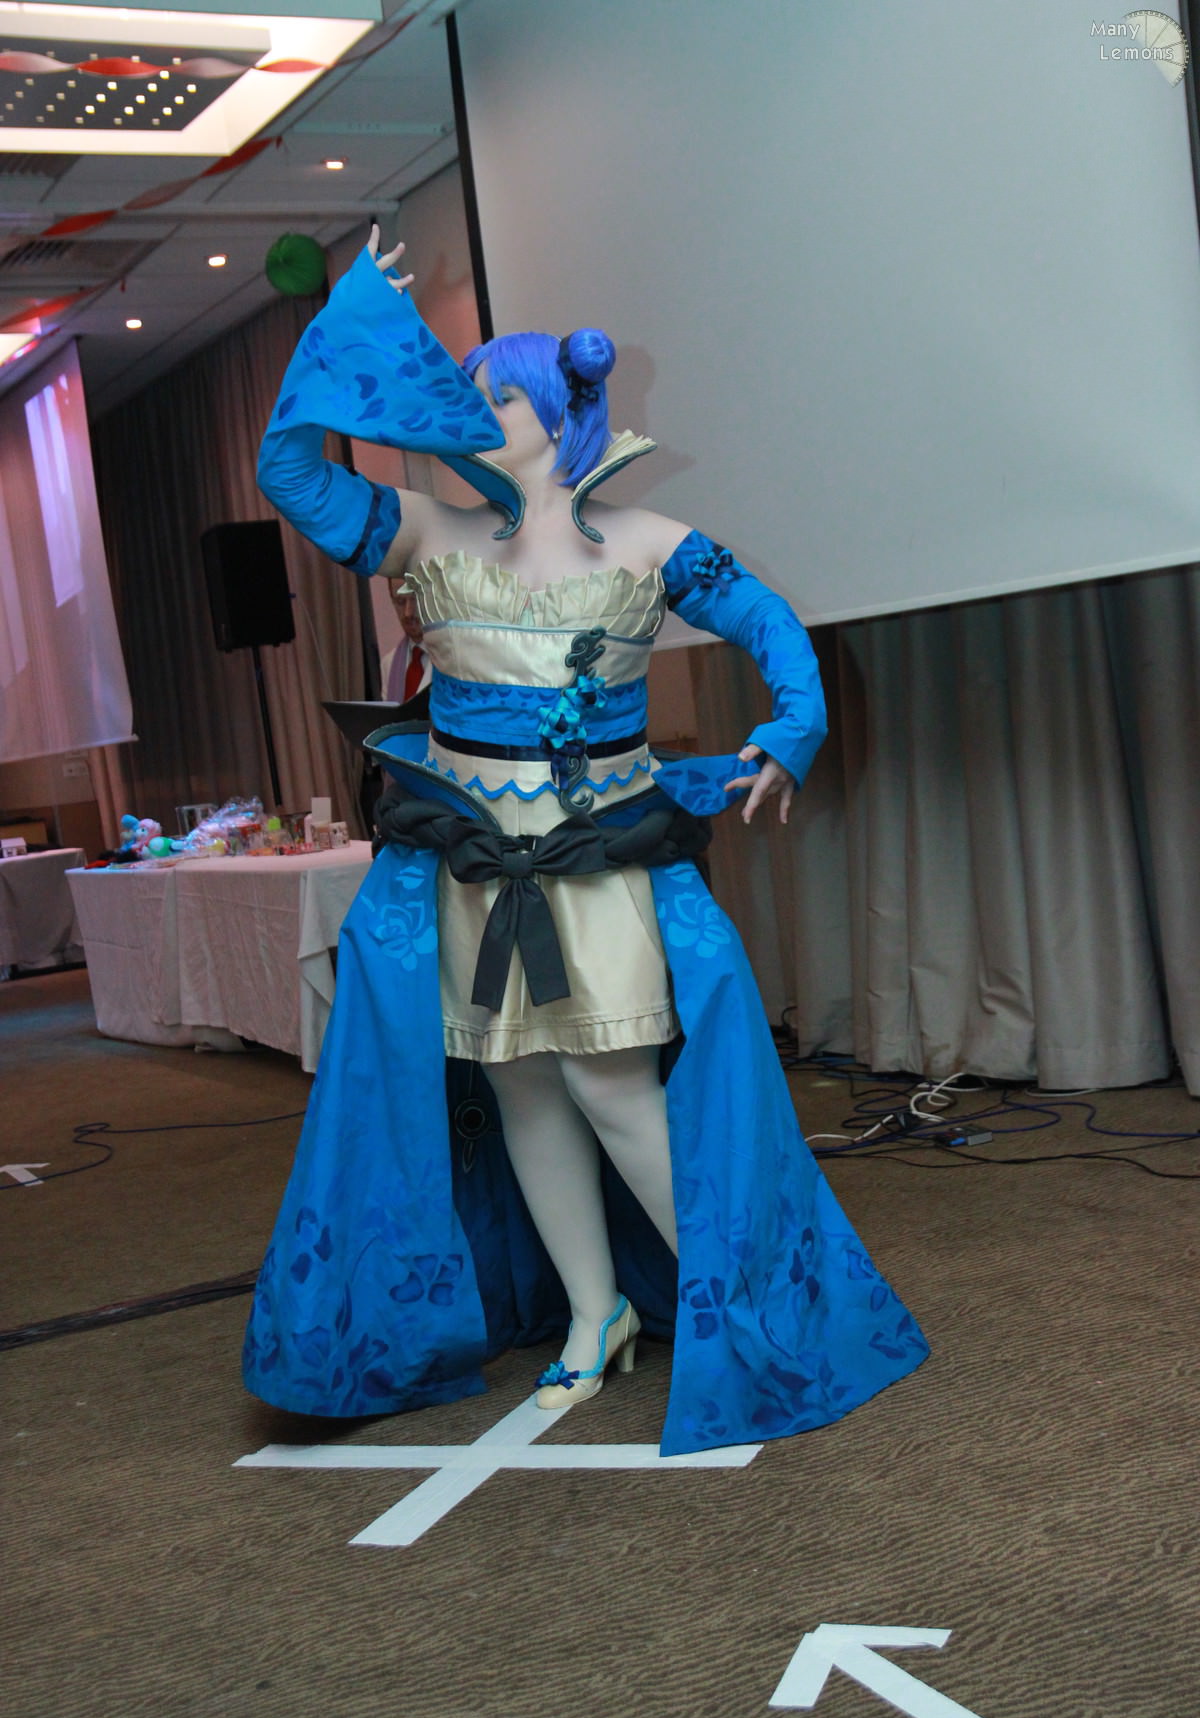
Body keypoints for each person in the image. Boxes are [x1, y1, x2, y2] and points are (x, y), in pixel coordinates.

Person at [242, 231, 928, 1454]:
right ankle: (592, 1313)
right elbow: (288, 470)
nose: (472, 416)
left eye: (495, 397)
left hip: (598, 869)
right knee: (522, 1088)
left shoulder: (652, 542)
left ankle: (740, 1313)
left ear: (556, 411)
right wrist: (345, 325)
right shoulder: (422, 531)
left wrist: (792, 732)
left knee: (613, 1089)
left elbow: (772, 626)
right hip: (472, 870)